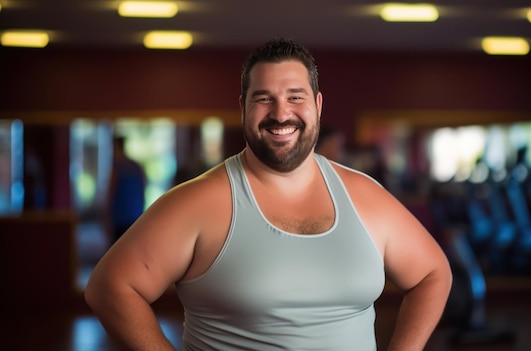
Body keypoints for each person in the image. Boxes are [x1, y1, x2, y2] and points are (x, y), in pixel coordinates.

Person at [85, 38, 452, 350]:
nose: (281, 113)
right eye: (264, 98)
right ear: (243, 106)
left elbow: (433, 274)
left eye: (295, 97)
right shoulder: (197, 202)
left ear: (318, 106)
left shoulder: (365, 195)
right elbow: (110, 287)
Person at [105, 135, 147, 243]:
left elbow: (110, 194)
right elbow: (143, 190)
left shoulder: (117, 168)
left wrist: (106, 216)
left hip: (121, 217)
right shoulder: (137, 167)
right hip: (135, 216)